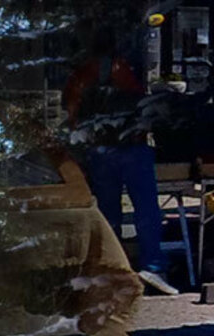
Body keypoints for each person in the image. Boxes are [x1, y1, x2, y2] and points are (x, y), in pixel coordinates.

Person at [65, 29, 178, 295]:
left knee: (108, 213)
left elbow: (72, 115)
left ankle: (111, 268)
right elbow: (139, 104)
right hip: (130, 147)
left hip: (101, 150)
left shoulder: (80, 76)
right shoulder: (120, 68)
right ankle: (151, 265)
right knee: (146, 210)